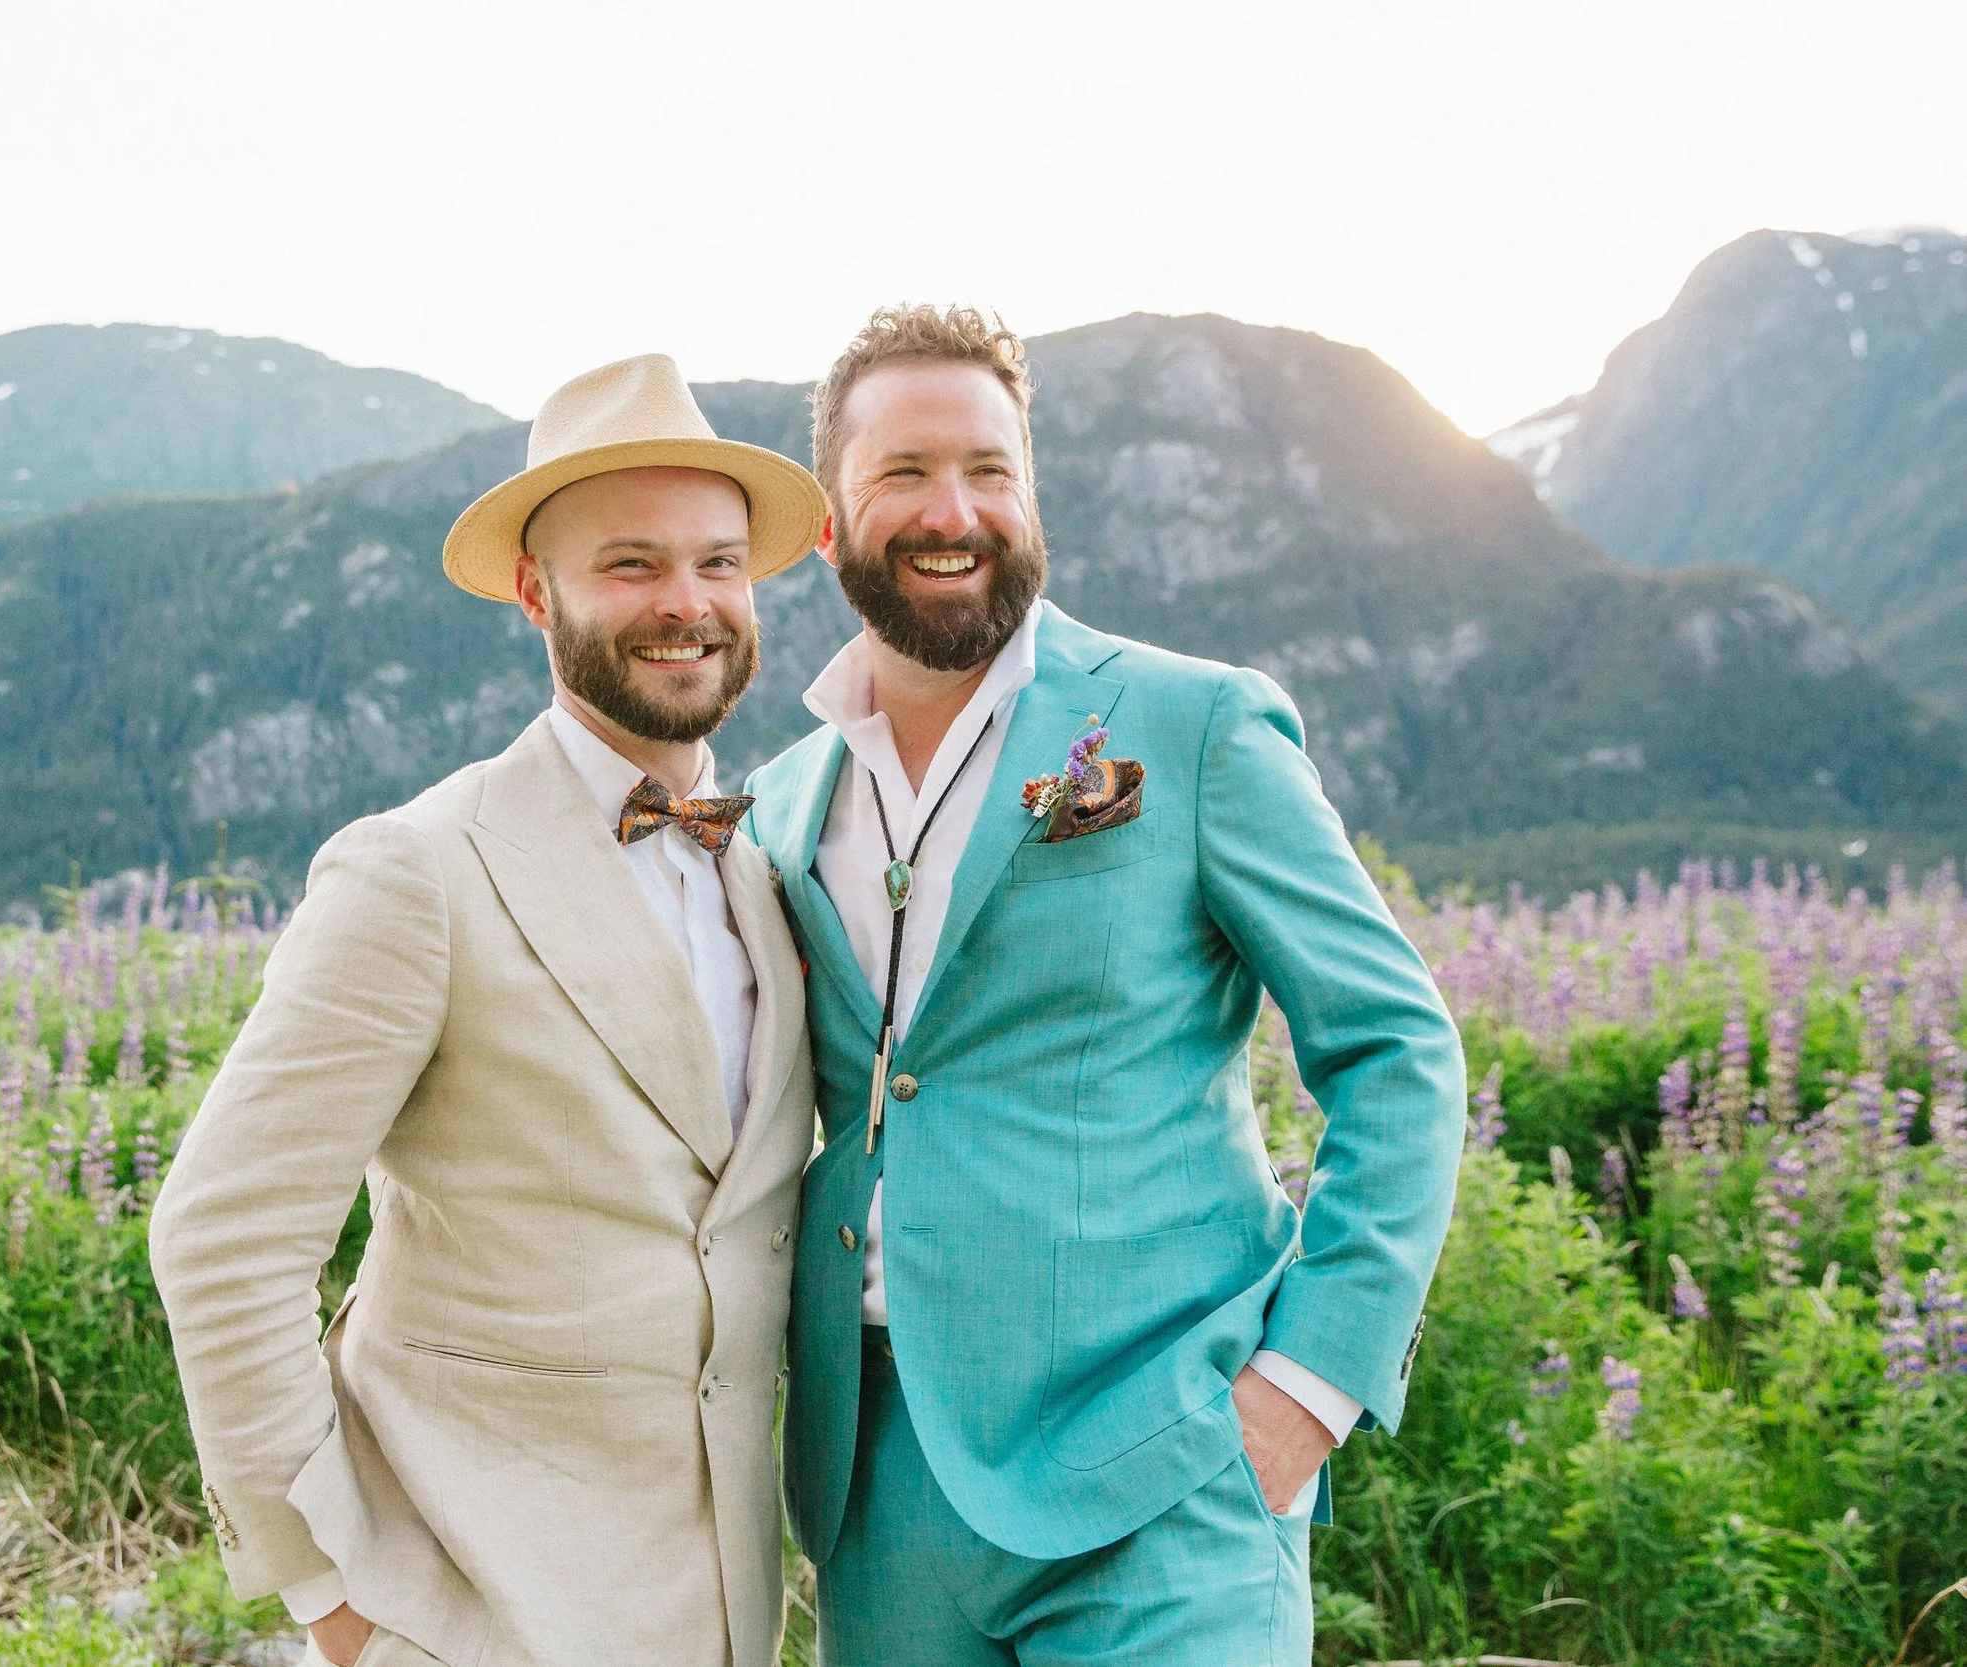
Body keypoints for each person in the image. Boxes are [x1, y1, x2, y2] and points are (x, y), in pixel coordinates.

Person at [743, 306, 1466, 1666]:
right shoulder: (784, 803)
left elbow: (1399, 1048)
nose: (951, 508)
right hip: (879, 1493)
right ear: (831, 526)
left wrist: (1307, 1387)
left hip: (1163, 1475)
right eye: (902, 473)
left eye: (989, 469)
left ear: (1032, 497)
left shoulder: (1192, 725)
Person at [148, 355, 827, 1667]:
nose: (687, 602)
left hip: (729, 1612)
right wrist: (336, 1597)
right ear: (536, 591)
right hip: (473, 1616)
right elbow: (223, 1233)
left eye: (720, 564)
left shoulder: (767, 871)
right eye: (631, 564)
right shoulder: (419, 870)